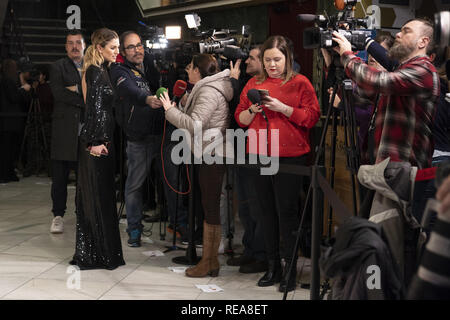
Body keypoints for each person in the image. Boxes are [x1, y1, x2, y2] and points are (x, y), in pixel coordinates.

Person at [235, 35, 320, 292]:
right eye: (267, 60)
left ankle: (290, 270)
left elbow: (311, 117)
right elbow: (240, 118)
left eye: (277, 59)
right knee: (265, 212)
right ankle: (273, 267)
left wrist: (283, 108)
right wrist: (253, 110)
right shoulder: (253, 82)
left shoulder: (300, 82)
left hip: (290, 155)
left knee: (287, 214)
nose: (272, 65)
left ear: (288, 58)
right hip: (259, 151)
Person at [110, 31, 188, 247]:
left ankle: (178, 223)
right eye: (132, 47)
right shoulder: (119, 70)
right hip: (139, 137)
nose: (138, 50)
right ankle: (134, 230)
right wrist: (146, 98)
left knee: (173, 182)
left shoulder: (152, 65)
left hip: (164, 132)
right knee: (135, 184)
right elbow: (128, 89)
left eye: (139, 45)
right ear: (123, 52)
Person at [159, 53, 233, 278]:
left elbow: (194, 124)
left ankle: (209, 262)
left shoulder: (209, 91)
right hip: (208, 152)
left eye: (190, 67)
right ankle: (209, 261)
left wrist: (169, 111)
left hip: (213, 154)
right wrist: (179, 108)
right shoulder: (206, 87)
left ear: (198, 71)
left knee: (210, 209)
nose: (187, 70)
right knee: (208, 207)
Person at [332, 18, 440, 169]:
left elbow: (376, 80)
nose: (398, 35)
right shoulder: (401, 72)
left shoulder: (424, 70)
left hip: (405, 168)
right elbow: (367, 90)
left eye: (406, 31)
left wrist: (348, 56)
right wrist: (341, 54)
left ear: (423, 42)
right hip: (385, 165)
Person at [71, 28, 125, 270]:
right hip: (96, 143)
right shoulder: (93, 71)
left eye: (118, 47)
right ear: (100, 48)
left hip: (103, 140)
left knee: (102, 198)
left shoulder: (102, 70)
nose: (117, 51)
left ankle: (103, 254)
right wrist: (95, 143)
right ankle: (98, 255)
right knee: (96, 197)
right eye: (113, 47)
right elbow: (93, 110)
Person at [225, 45, 269, 274]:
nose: (246, 61)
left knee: (257, 204)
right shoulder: (249, 83)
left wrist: (234, 83)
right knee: (244, 204)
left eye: (252, 58)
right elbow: (237, 113)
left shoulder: (268, 85)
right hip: (241, 145)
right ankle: (250, 250)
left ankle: (262, 255)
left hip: (261, 147)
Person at [48, 29, 85, 234]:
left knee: (84, 177)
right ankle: (58, 216)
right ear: (65, 46)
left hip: (85, 131)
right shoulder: (57, 67)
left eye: (78, 43)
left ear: (84, 45)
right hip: (63, 131)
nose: (74, 47)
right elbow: (59, 94)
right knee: (60, 178)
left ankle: (83, 214)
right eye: (70, 43)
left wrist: (75, 88)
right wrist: (84, 95)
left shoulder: (92, 66)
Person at [0, 59, 30, 183]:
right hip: (9, 122)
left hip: (6, 121)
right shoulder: (8, 81)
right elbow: (14, 97)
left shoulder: (4, 80)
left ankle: (8, 173)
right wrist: (24, 88)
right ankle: (6, 174)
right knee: (8, 150)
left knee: (7, 149)